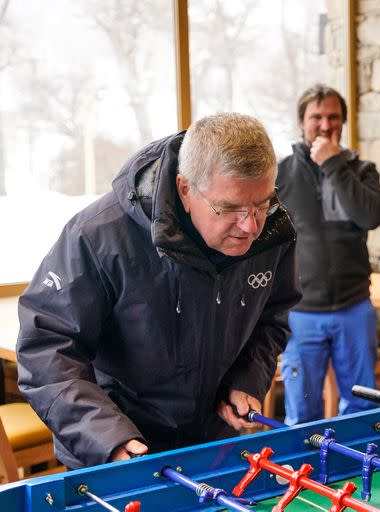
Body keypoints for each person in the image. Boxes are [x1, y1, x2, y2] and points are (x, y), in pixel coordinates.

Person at [16, 113, 302, 469]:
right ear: (185, 189)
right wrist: (108, 438)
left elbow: (272, 317)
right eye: (228, 208)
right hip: (117, 452)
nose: (250, 226)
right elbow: (46, 348)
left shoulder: (272, 232)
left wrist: (246, 378)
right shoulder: (97, 236)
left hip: (213, 446)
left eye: (262, 204)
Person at [276, 84, 380, 425]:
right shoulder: (280, 175)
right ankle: (305, 478)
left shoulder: (361, 170)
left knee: (361, 409)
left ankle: (361, 474)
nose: (325, 126)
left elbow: (370, 216)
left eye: (334, 117)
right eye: (317, 117)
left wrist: (334, 165)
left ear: (343, 122)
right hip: (301, 314)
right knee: (303, 412)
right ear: (301, 122)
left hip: (354, 309)